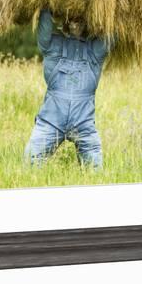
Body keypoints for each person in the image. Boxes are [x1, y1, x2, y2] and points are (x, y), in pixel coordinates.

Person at [24, 9, 111, 170]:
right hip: (50, 121)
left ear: (88, 23)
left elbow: (113, 29)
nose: (75, 21)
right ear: (65, 21)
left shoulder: (95, 51)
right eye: (71, 17)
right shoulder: (53, 46)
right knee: (30, 162)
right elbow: (44, 21)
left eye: (81, 18)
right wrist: (48, 0)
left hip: (83, 124)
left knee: (96, 171)